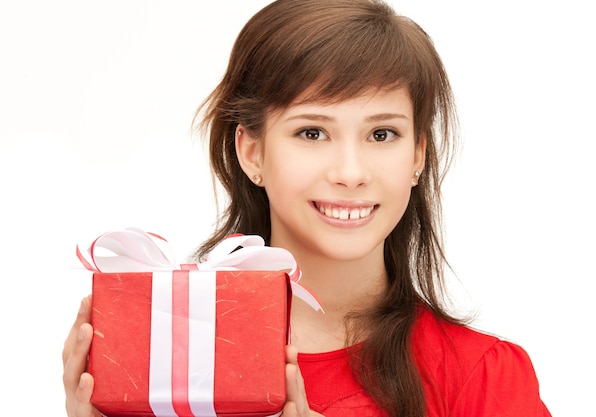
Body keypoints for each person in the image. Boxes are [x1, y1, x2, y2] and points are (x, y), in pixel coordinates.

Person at [62, 0, 552, 416]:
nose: (351, 171)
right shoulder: (163, 356)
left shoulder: (483, 377)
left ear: (418, 155)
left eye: (383, 134)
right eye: (312, 132)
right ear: (252, 151)